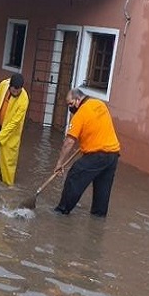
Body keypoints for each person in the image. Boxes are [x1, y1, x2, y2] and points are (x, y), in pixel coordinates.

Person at [53, 87, 121, 217]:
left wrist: (59, 164)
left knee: (75, 174)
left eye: (70, 104)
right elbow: (98, 125)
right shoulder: (100, 104)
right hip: (113, 156)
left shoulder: (80, 114)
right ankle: (98, 216)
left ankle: (62, 211)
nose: (70, 108)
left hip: (98, 155)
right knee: (102, 189)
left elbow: (69, 142)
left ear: (78, 100)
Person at [0, 73, 29, 186]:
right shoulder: (4, 85)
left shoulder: (24, 100)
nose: (15, 93)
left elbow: (13, 124)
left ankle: (7, 185)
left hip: (11, 134)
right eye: (13, 91)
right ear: (9, 87)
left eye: (18, 92)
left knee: (8, 161)